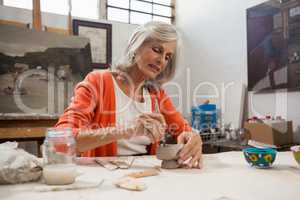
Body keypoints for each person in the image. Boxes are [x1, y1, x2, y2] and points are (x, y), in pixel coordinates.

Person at [55, 21, 203, 168]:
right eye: (157, 50)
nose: (161, 61)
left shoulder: (156, 93)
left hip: (143, 177)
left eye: (167, 57)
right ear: (136, 46)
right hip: (104, 177)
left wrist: (193, 138)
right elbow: (60, 141)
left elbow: (183, 130)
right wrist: (126, 130)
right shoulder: (98, 82)